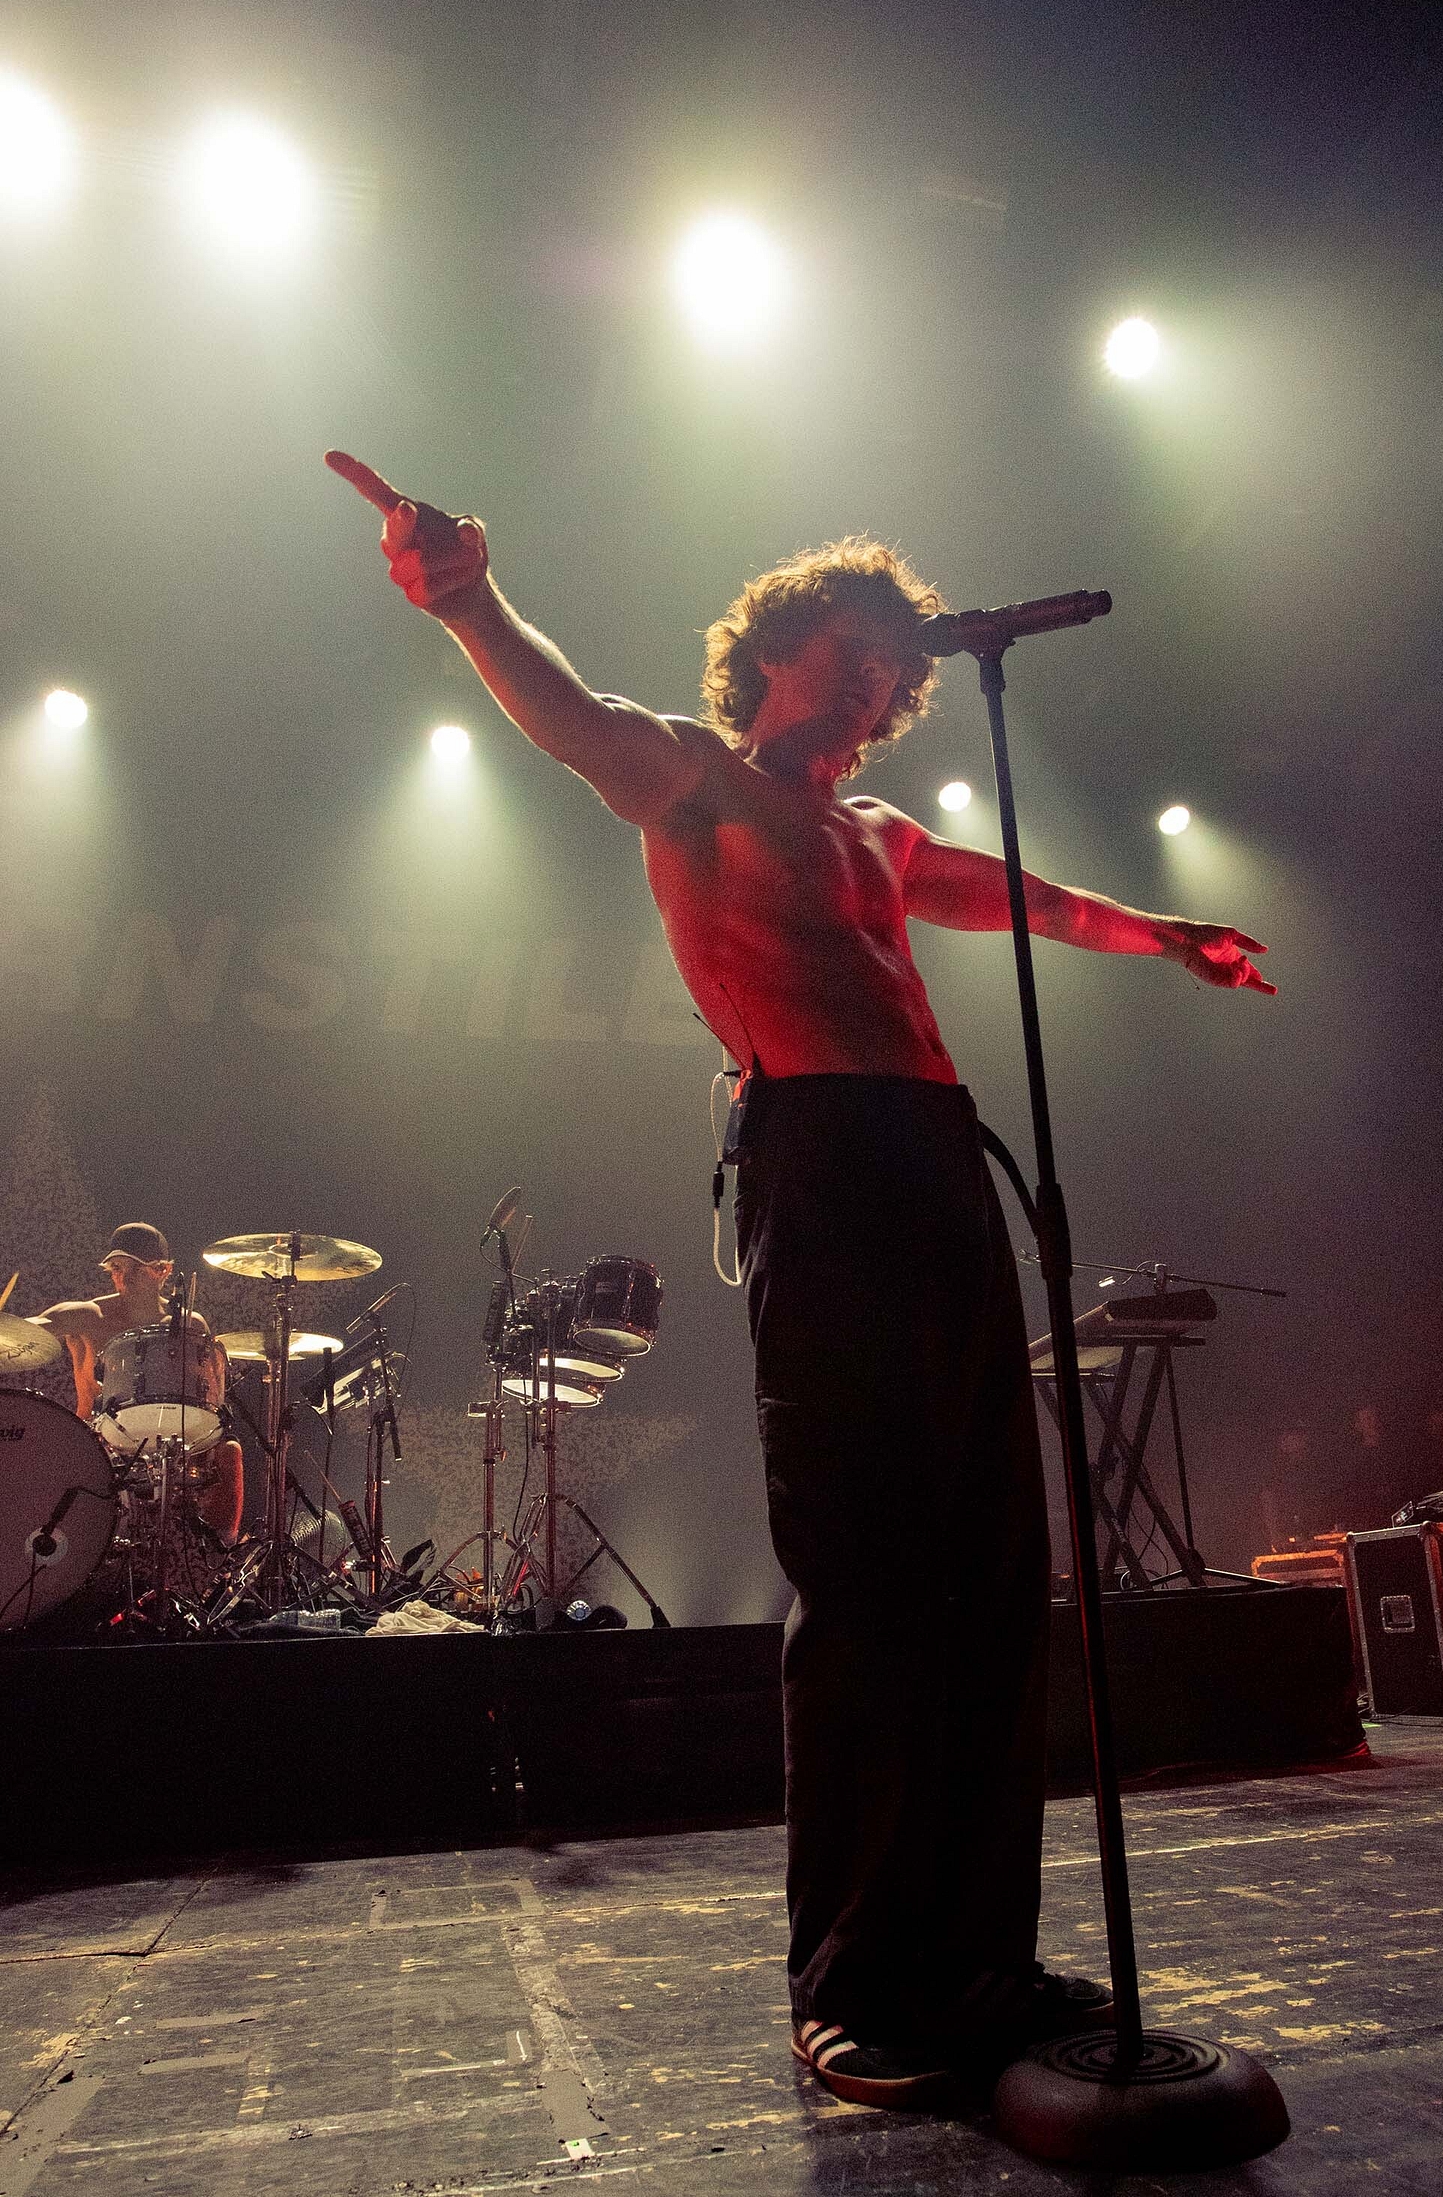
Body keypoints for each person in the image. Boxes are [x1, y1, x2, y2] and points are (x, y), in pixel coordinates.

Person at [327, 450, 1274, 2104]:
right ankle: (848, 1976)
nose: (890, 669)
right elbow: (566, 717)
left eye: (902, 657)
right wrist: (468, 594)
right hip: (818, 1170)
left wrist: (1171, 936)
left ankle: (978, 1949)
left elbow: (1036, 901)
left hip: (943, 1169)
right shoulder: (696, 776)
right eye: (858, 640)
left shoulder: (886, 835)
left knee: (990, 1582)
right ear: (777, 652)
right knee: (866, 1578)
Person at [31, 1222, 241, 1546]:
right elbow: (29, 1331)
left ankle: (216, 1562)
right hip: (98, 1442)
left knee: (229, 1451)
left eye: (135, 1269)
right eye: (116, 1268)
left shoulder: (187, 1324)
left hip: (172, 1444)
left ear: (163, 1271)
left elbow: (210, 1396)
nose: (122, 1277)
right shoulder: (89, 1315)